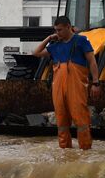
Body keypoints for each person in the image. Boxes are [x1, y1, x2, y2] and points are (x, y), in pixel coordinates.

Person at [32, 16, 101, 149]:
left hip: (76, 87)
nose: (58, 33)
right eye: (56, 30)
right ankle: (65, 153)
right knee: (62, 122)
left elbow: (92, 61)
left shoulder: (81, 41)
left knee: (81, 121)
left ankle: (85, 152)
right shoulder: (55, 45)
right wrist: (49, 38)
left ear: (69, 27)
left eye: (60, 30)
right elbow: (36, 52)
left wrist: (96, 82)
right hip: (58, 88)